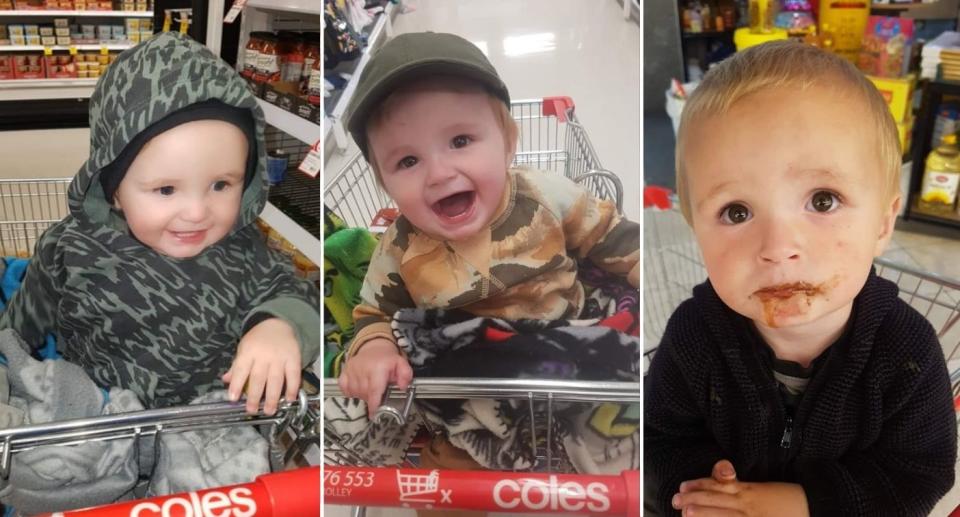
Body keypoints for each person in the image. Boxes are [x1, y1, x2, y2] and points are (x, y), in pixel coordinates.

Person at [645, 40, 957, 516]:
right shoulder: (694, 337)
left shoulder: (905, 351)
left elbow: (917, 473)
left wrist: (803, 504)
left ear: (883, 223)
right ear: (695, 230)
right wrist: (703, 490)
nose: (777, 248)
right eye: (736, 211)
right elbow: (659, 438)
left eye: (823, 200)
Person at [335, 30, 639, 498]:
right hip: (474, 384)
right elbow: (374, 315)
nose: (439, 173)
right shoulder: (399, 247)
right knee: (447, 489)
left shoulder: (547, 196)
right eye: (408, 160)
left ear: (508, 142)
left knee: (615, 469)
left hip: (570, 349)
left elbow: (616, 240)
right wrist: (375, 349)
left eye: (460, 140)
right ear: (385, 183)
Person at [0, 32, 322, 416]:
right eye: (166, 189)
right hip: (99, 416)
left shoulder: (245, 249)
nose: (197, 212)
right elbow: (18, 330)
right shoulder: (69, 249)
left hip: (207, 418)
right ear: (114, 190)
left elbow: (295, 292)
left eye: (221, 184)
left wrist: (278, 327)